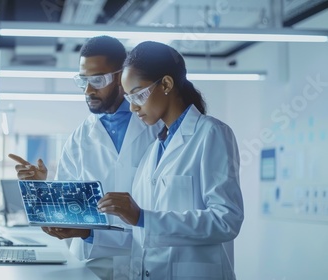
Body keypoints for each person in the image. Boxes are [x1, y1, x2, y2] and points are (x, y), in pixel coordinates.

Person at [8, 35, 163, 279]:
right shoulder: (79, 138)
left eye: (98, 80)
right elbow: (70, 210)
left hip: (148, 259)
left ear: (122, 77)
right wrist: (43, 186)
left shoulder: (155, 129)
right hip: (93, 261)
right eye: (83, 81)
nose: (89, 90)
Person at [96, 41, 245, 279]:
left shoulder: (210, 133)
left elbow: (226, 219)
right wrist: (85, 233)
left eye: (138, 94)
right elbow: (141, 234)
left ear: (166, 83)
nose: (133, 107)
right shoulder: (154, 149)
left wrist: (144, 217)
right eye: (128, 97)